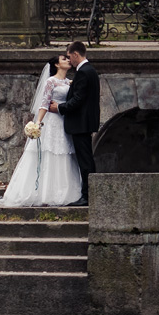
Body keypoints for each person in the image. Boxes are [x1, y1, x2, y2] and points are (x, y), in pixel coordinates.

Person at [0, 54, 82, 208]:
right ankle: (43, 193)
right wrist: (37, 123)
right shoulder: (51, 82)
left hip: (63, 120)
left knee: (63, 153)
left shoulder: (67, 82)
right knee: (50, 152)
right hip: (52, 121)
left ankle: (63, 191)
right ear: (56, 65)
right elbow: (44, 103)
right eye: (64, 59)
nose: (68, 60)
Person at [55, 41, 99, 207]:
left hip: (81, 123)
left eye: (69, 56)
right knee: (87, 158)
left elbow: (78, 100)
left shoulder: (83, 73)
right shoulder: (91, 71)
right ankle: (90, 193)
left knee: (85, 160)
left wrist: (59, 107)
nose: (69, 60)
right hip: (86, 122)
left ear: (75, 54)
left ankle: (87, 196)